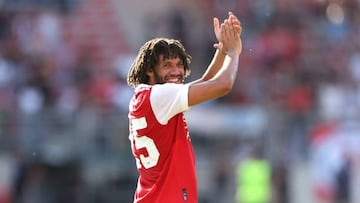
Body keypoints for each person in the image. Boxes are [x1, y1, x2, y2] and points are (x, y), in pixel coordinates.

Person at [127, 11, 243, 203]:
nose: (176, 71)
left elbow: (205, 81)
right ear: (149, 70)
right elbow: (223, 85)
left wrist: (222, 50)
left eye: (179, 64)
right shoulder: (161, 95)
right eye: (167, 65)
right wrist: (234, 52)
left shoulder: (145, 97)